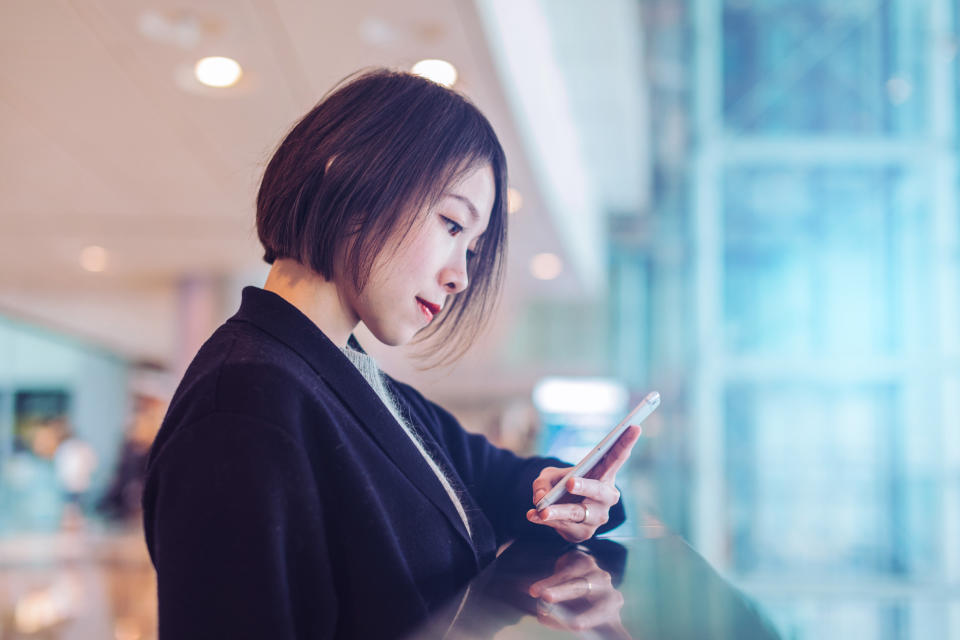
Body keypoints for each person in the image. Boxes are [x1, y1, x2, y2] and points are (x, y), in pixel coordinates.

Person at [142, 68, 641, 640]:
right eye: (452, 223)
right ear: (349, 176)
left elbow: (512, 484)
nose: (460, 277)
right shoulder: (244, 403)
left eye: (472, 250)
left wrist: (580, 501)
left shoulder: (356, 380)